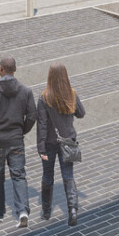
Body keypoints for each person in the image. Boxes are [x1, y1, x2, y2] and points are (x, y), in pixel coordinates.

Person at [0, 57, 37, 227]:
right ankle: (23, 211)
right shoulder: (26, 91)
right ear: (15, 69)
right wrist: (22, 130)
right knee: (19, 176)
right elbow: (32, 115)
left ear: (1, 69)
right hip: (16, 140)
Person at [36, 62, 84, 225]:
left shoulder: (44, 98)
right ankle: (72, 210)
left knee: (47, 176)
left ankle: (46, 212)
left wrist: (40, 147)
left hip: (50, 143)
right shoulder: (71, 93)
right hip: (68, 142)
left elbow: (41, 125)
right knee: (68, 176)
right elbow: (81, 113)